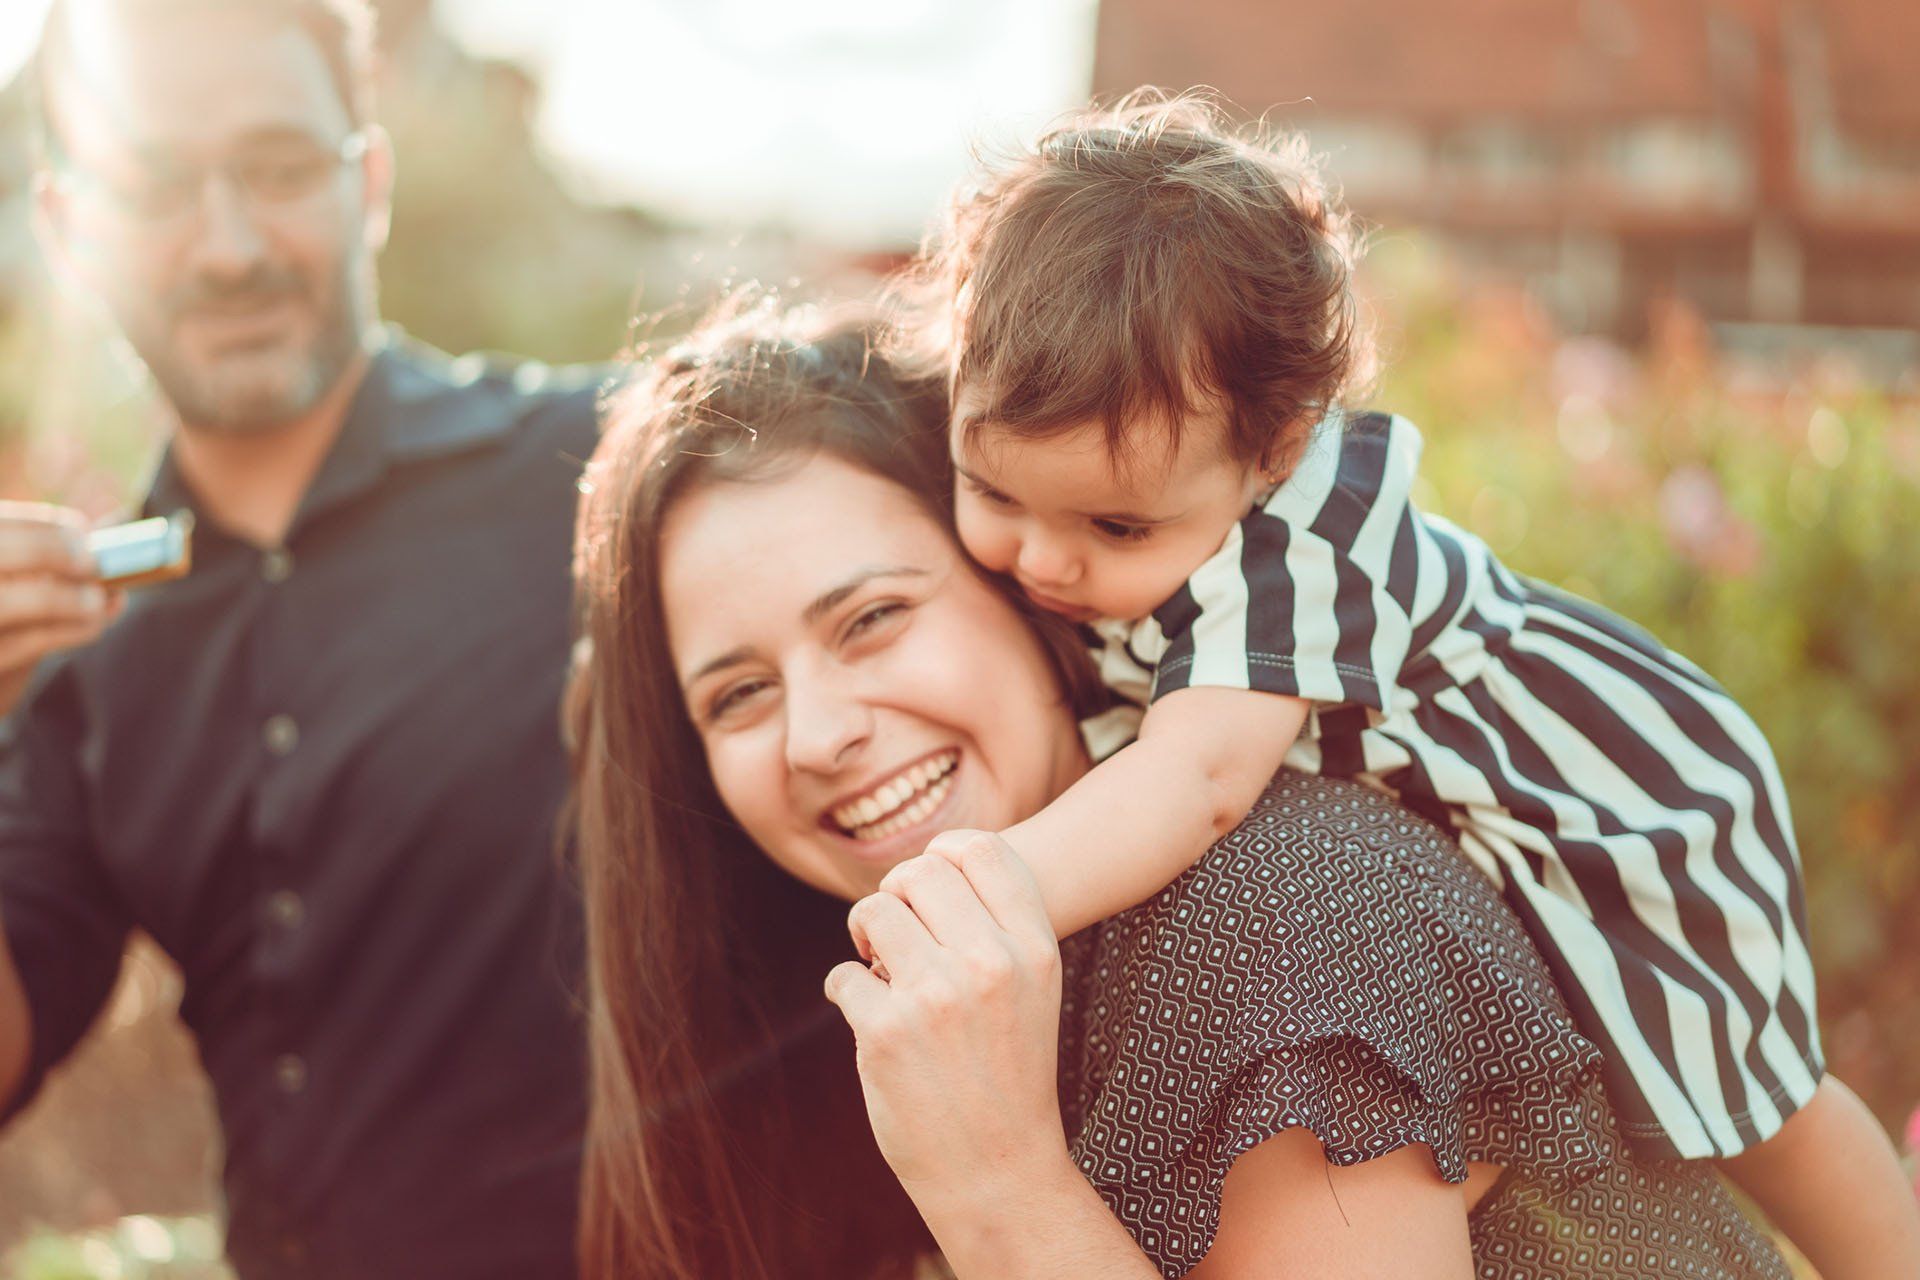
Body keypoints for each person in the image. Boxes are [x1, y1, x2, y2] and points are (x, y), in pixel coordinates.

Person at [897, 92, 1920, 1278]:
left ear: (1275, 447)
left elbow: (1203, 778)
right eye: (996, 494)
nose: (1043, 559)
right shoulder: (1122, 489)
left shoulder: (1311, 538)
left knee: (1749, 1097)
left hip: (1606, 795)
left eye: (1115, 526)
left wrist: (989, 895)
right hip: (1475, 791)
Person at [569, 298, 1795, 1279]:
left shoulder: (1282, 908)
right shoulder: (929, 1009)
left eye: (876, 617)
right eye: (738, 695)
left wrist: (1005, 1192)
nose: (818, 736)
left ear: (1037, 585)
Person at [0, 1, 594, 1273]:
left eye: (276, 171)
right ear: (68, 229)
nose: (226, 247)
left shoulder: (599, 473)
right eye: (151, 187)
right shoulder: (71, 656)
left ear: (366, 181)